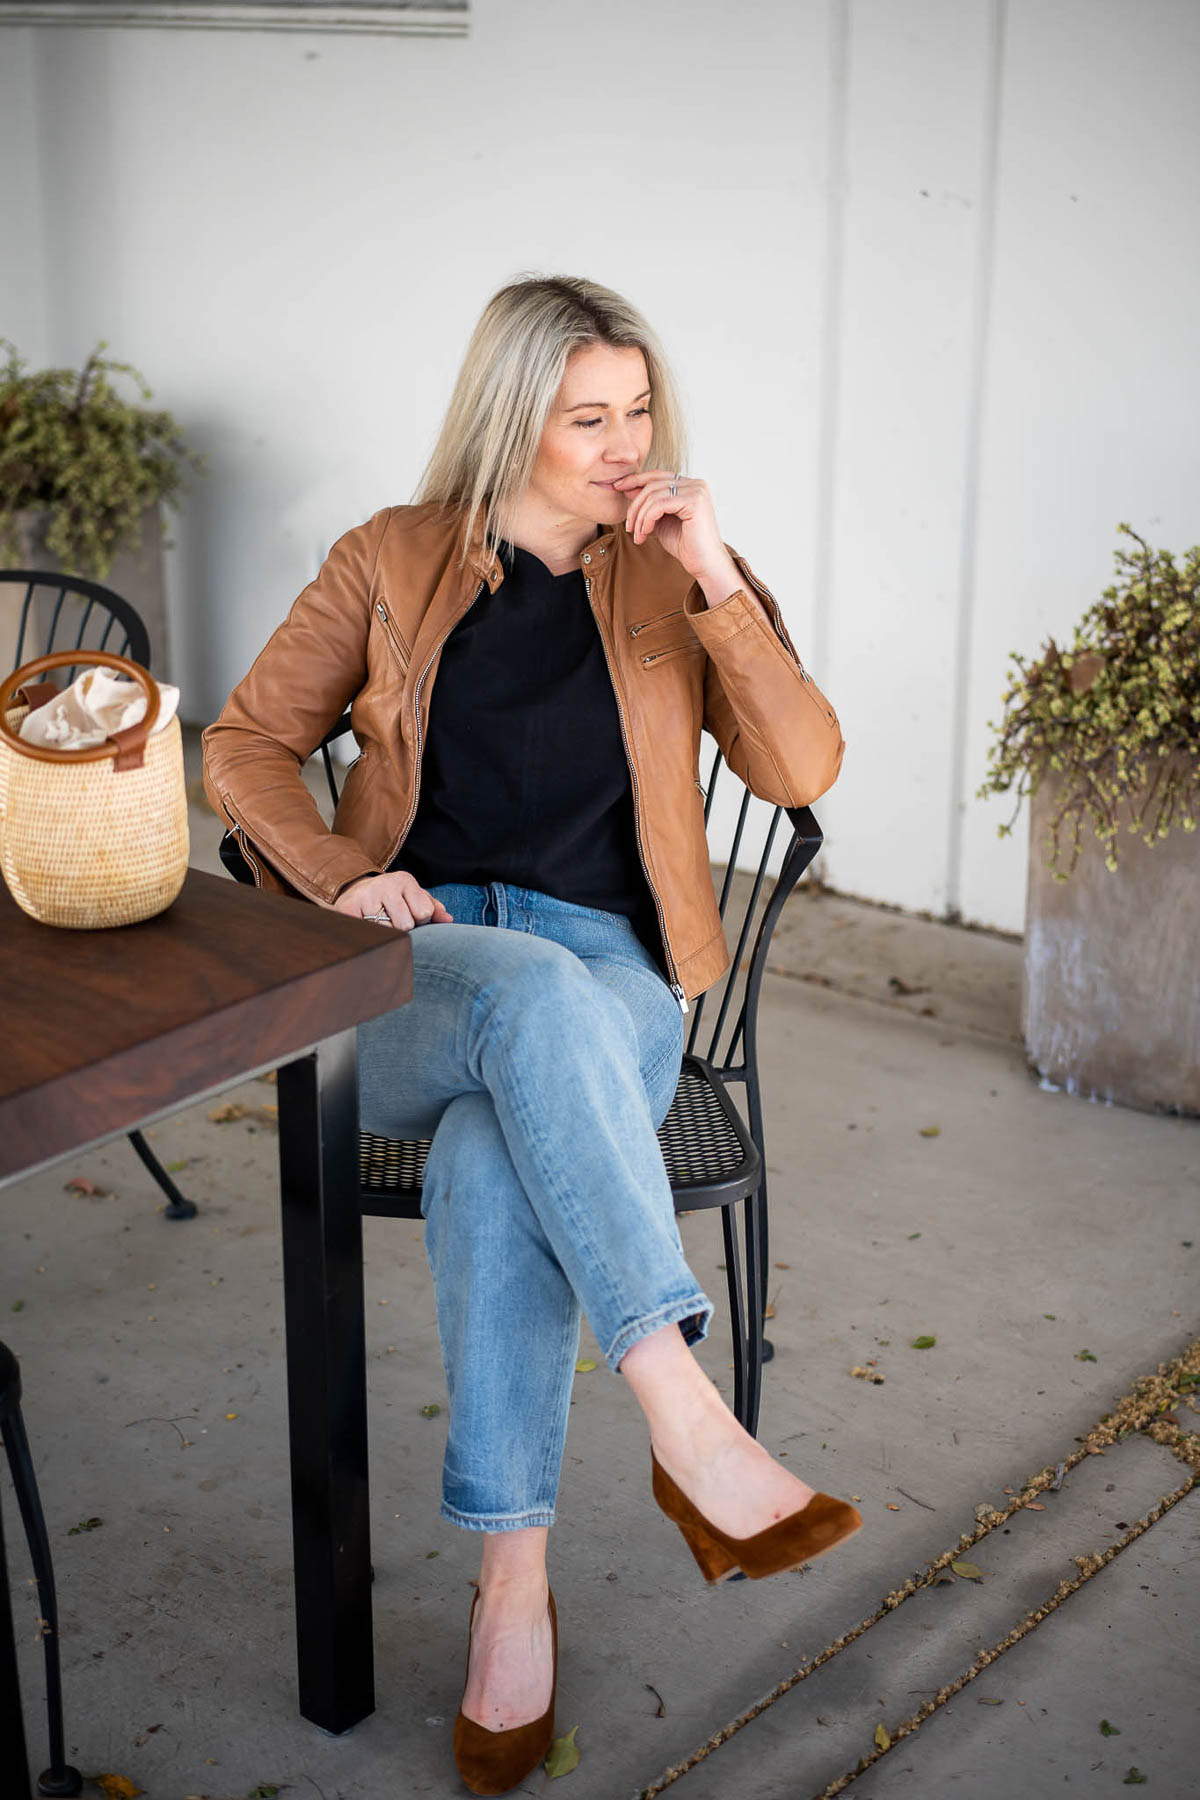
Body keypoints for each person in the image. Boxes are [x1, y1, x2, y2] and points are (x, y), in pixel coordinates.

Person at [202, 274, 860, 1797]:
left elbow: (806, 760)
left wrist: (715, 578)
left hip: (613, 976)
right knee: (523, 1010)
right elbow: (243, 745)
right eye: (589, 419)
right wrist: (339, 875)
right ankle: (686, 1421)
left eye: (640, 413)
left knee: (509, 1143)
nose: (627, 445)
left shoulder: (672, 574)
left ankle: (512, 1590)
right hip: (425, 963)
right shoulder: (390, 557)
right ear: (513, 417)